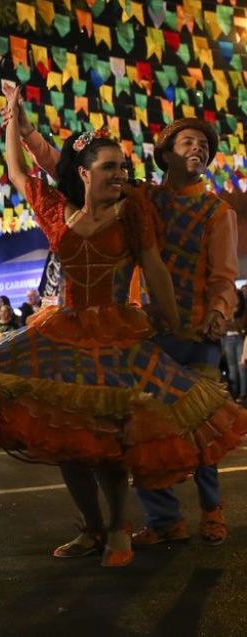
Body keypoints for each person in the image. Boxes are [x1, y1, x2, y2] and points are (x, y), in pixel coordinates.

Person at [0, 89, 247, 569]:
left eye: (123, 167)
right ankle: (97, 526)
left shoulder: (138, 209)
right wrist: (13, 120)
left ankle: (139, 524)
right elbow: (22, 171)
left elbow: (160, 270)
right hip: (62, 333)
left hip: (121, 333)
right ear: (84, 173)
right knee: (70, 437)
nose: (120, 174)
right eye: (109, 167)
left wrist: (180, 323)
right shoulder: (60, 209)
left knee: (123, 437)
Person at [130, 118, 239, 548]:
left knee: (200, 426)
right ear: (165, 153)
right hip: (145, 334)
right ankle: (164, 519)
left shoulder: (218, 212)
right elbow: (77, 170)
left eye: (204, 145)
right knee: (145, 429)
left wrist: (218, 311)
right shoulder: (143, 200)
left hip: (196, 336)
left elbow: (223, 277)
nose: (198, 148)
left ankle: (212, 510)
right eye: (188, 141)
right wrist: (25, 133)